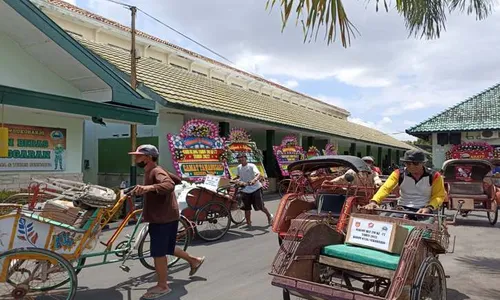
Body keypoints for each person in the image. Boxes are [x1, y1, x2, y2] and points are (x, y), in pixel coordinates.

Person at [128, 144, 205, 299]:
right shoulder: (156, 170)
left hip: (162, 218)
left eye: (138, 156)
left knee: (158, 253)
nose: (136, 158)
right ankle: (194, 260)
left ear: (148, 157)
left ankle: (163, 286)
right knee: (167, 247)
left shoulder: (156, 171)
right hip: (168, 215)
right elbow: (175, 180)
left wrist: (149, 188)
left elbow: (169, 185)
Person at [363, 149, 446, 222]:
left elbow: (439, 195)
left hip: (424, 208)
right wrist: (374, 201)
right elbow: (386, 188)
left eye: (416, 163)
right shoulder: (398, 173)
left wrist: (429, 208)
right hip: (402, 208)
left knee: (425, 232)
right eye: (408, 163)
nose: (412, 166)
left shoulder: (434, 176)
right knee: (384, 224)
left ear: (423, 163)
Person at [233, 153, 273, 227]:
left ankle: (269, 216)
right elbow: (238, 176)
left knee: (260, 206)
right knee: (246, 207)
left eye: (241, 157)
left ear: (245, 158)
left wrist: (254, 180)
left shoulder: (251, 166)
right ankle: (248, 223)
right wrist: (233, 180)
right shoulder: (239, 167)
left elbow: (258, 174)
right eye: (238, 158)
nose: (240, 159)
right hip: (245, 189)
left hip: (256, 188)